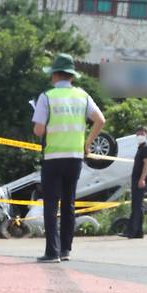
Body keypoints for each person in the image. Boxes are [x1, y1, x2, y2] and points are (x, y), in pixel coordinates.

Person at [32, 53, 105, 262]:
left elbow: (38, 130)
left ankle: (51, 252)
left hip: (53, 156)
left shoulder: (46, 97)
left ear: (55, 75)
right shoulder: (83, 96)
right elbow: (100, 120)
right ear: (71, 76)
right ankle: (65, 249)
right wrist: (88, 143)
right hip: (75, 156)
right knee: (69, 203)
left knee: (51, 204)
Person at [120, 125, 147, 239]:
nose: (140, 136)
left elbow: (146, 165)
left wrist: (142, 179)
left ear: (146, 135)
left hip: (140, 180)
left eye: (142, 134)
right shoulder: (140, 149)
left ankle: (132, 231)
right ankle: (139, 232)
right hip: (137, 179)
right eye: (138, 134)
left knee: (136, 206)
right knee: (137, 206)